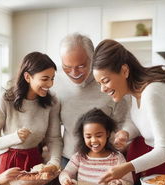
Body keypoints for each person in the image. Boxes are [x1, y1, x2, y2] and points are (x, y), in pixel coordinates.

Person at [92, 39, 165, 184]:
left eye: (106, 81)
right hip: (156, 155)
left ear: (125, 71)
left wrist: (126, 167)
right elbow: (142, 119)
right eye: (99, 84)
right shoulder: (136, 88)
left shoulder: (152, 93)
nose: (103, 89)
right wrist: (126, 133)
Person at [52, 33, 129, 169]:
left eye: (81, 66)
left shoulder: (109, 82)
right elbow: (52, 128)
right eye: (67, 67)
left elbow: (122, 126)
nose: (74, 73)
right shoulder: (55, 81)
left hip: (104, 160)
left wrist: (121, 141)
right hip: (68, 159)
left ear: (93, 59)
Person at [0, 52, 62, 175]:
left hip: (36, 160)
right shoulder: (5, 99)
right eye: (45, 79)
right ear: (27, 77)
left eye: (52, 79)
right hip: (8, 161)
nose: (50, 84)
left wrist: (54, 163)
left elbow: (54, 139)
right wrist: (15, 138)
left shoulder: (52, 101)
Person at [59, 108, 133, 185]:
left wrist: (119, 183)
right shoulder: (79, 156)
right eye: (88, 137)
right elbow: (65, 172)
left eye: (98, 136)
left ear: (107, 133)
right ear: (83, 136)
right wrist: (65, 179)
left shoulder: (117, 157)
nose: (93, 140)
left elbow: (129, 183)